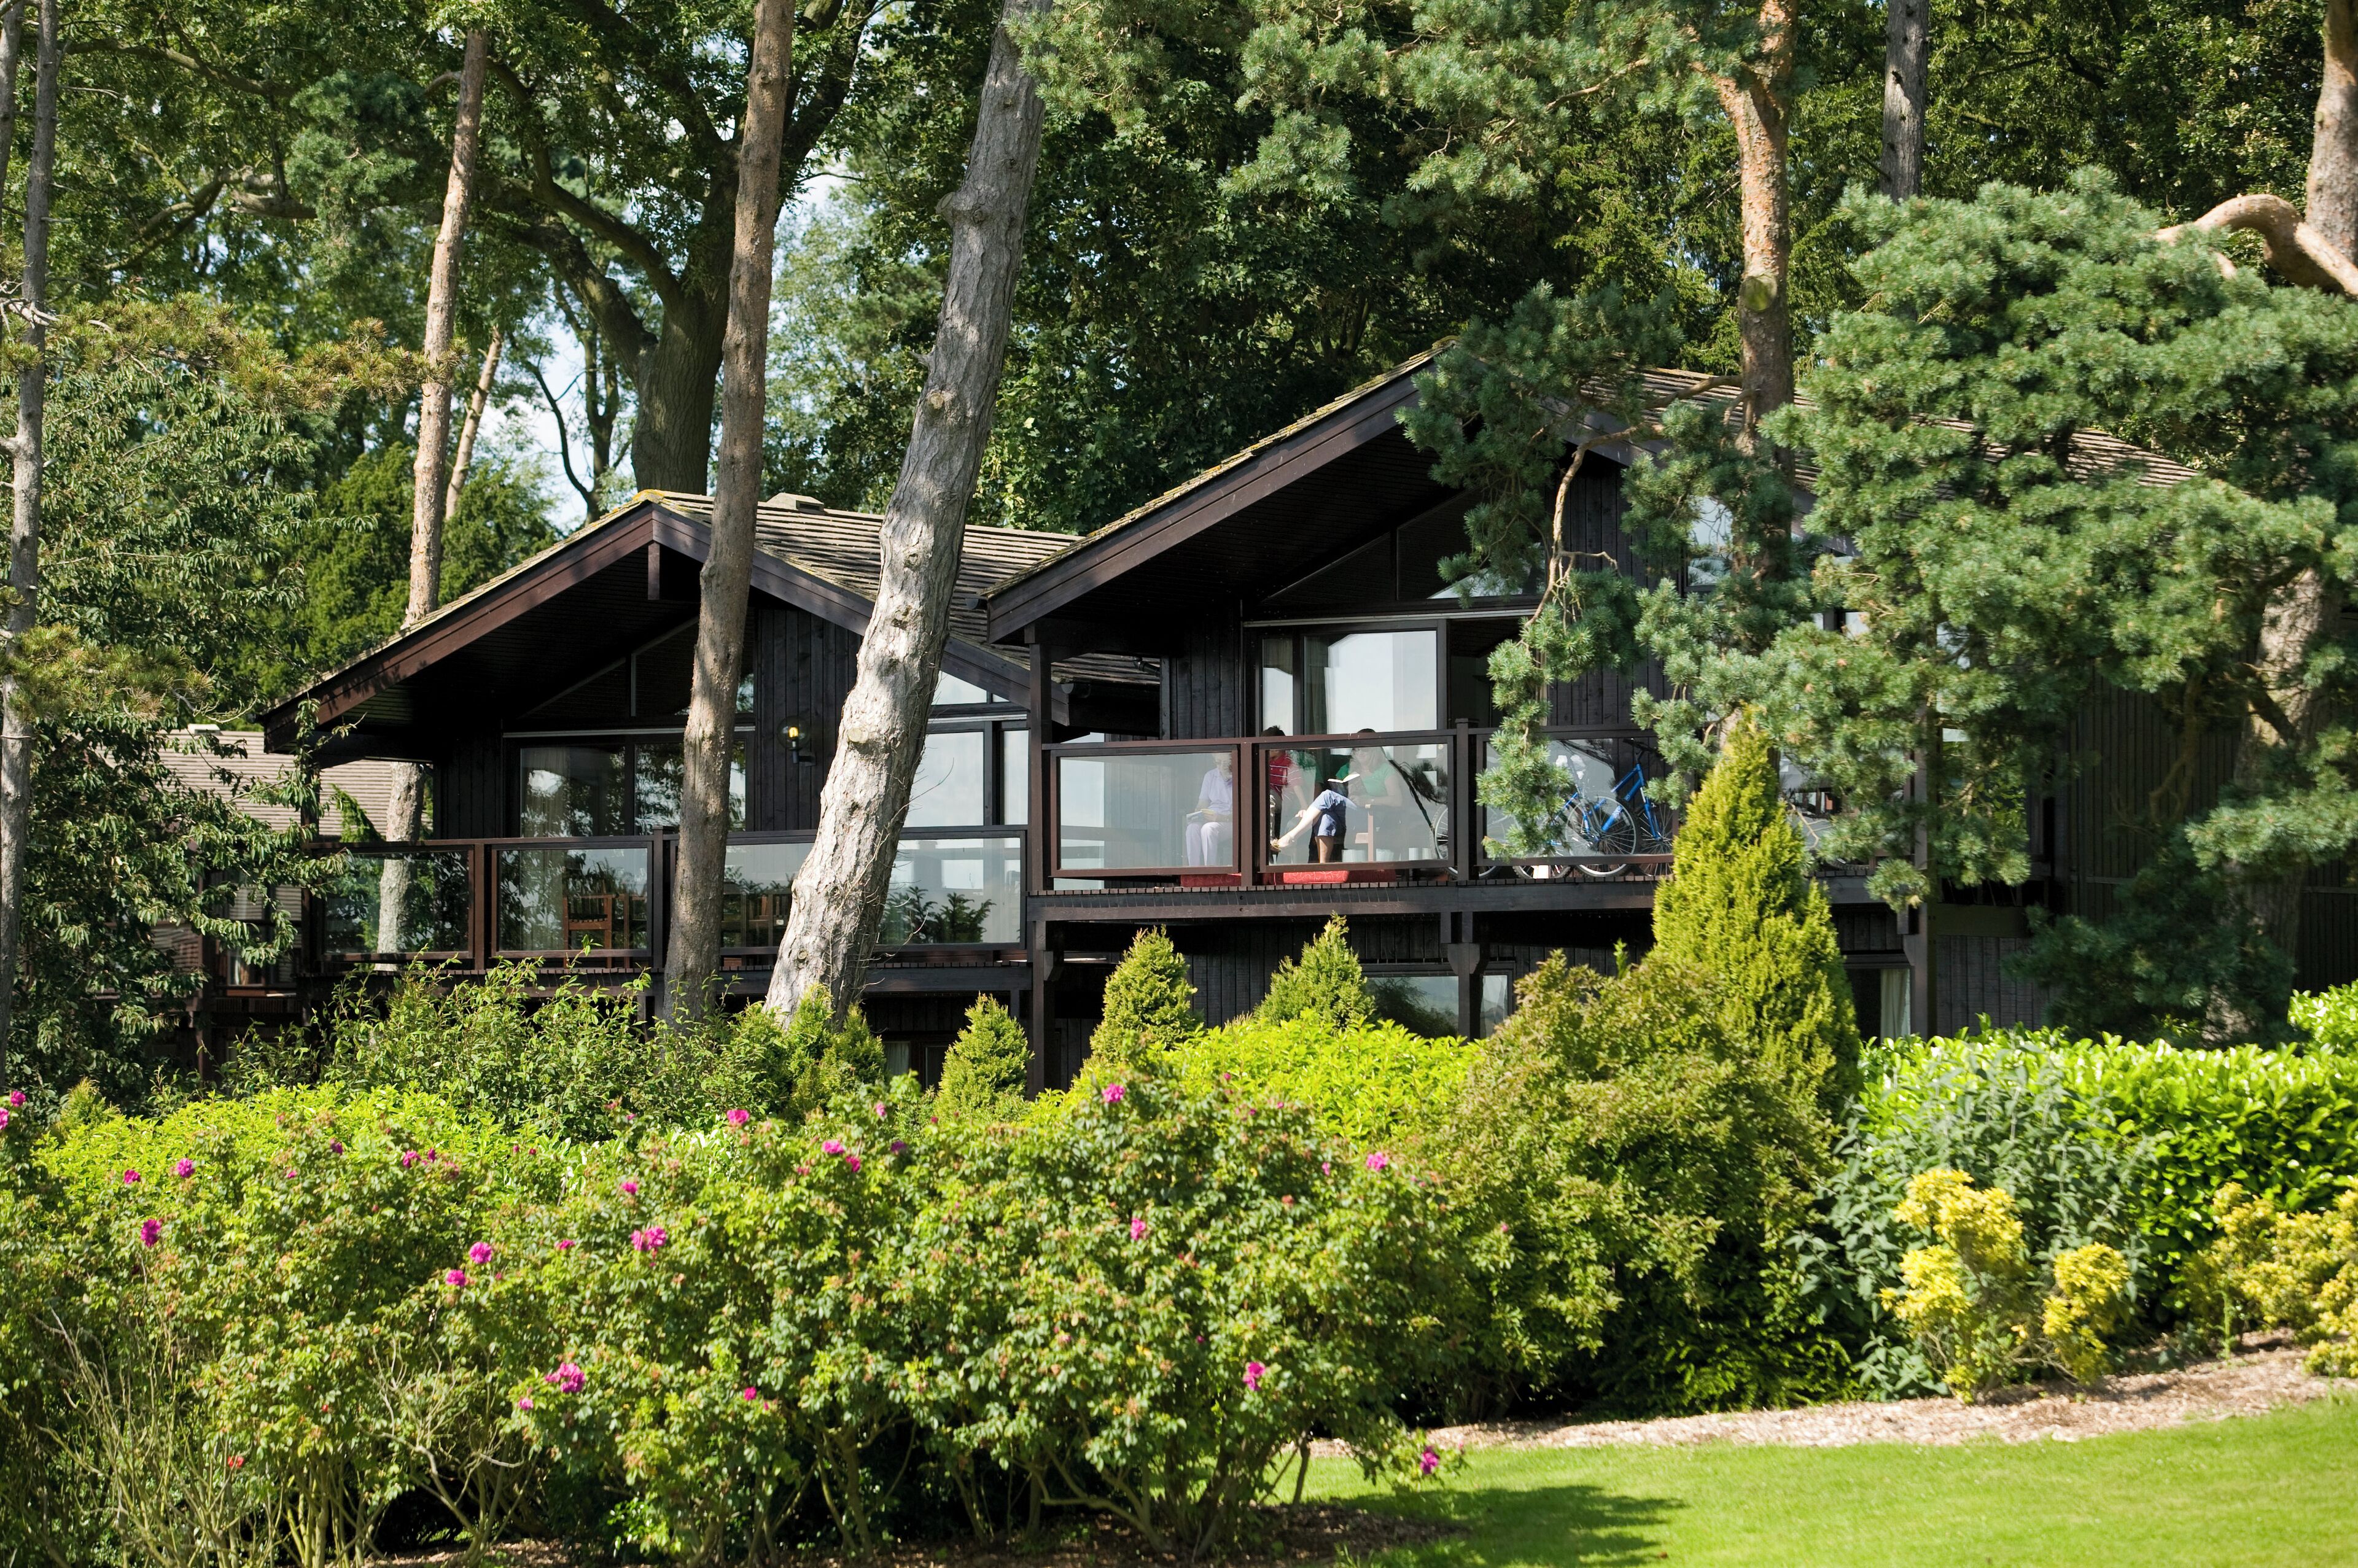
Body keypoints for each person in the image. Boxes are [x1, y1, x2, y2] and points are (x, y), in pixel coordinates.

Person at [1272, 764, 1351, 863]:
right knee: (1326, 818)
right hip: (1342, 813)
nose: (1360, 754)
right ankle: (1323, 866)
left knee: (1327, 795)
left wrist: (1370, 799)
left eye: (1363, 750)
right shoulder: (1345, 769)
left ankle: (1291, 837)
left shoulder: (1377, 770)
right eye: (1356, 751)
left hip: (1364, 812)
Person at [1185, 751, 1234, 866]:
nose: (1222, 767)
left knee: (1208, 829)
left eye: (1226, 763)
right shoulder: (1210, 776)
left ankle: (1210, 869)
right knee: (1192, 828)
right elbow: (1202, 803)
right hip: (1212, 816)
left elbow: (1245, 812)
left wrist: (1221, 818)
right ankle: (1194, 870)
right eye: (1218, 763)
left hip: (1231, 820)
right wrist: (1198, 813)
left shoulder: (1241, 777)